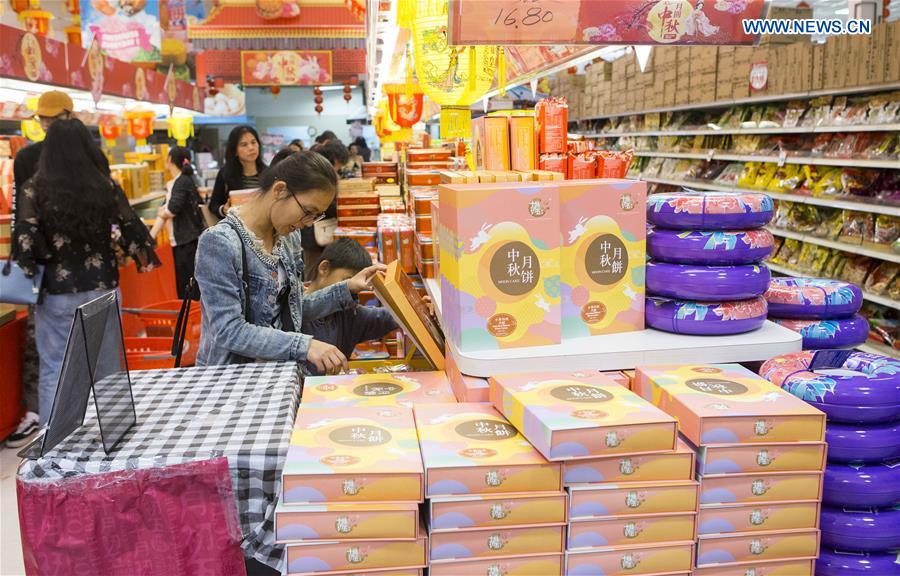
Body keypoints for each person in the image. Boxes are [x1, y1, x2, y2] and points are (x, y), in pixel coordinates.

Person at [12, 119, 160, 426]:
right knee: (107, 366)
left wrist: (42, 254)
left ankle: (57, 440)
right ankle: (115, 430)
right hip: (102, 286)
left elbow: (25, 242)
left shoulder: (33, 189)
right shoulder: (104, 185)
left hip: (57, 291)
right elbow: (133, 230)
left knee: (56, 366)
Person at [193, 152, 384, 374]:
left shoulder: (288, 237)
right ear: (280, 190)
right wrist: (304, 345)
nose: (308, 223)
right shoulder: (220, 243)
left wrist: (347, 287)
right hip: (234, 380)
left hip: (279, 375)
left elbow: (295, 310)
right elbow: (228, 330)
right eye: (308, 212)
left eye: (316, 216)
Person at [6, 91, 84, 447]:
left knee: (61, 355)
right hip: (54, 273)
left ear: (70, 116)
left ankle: (62, 431)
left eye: (53, 118)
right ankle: (45, 423)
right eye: (43, 119)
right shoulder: (27, 157)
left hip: (72, 271)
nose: (48, 124)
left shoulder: (86, 153)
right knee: (52, 354)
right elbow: (22, 216)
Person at [302, 239, 398, 361]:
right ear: (324, 268)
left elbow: (384, 317)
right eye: (347, 279)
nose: (354, 287)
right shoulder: (294, 307)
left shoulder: (348, 313)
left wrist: (419, 307)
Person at [150, 147, 206, 299]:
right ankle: (190, 319)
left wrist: (163, 212)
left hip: (188, 241)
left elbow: (171, 209)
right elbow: (166, 209)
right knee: (186, 285)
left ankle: (191, 320)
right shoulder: (180, 182)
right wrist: (150, 237)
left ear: (169, 160)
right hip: (184, 241)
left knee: (188, 286)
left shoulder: (181, 182)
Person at [300, 141, 350, 276]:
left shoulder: (317, 169)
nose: (338, 169)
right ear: (334, 160)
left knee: (318, 268)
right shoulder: (318, 174)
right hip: (313, 231)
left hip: (317, 229)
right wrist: (342, 207)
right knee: (313, 270)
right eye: (338, 166)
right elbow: (321, 204)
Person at [208, 125, 267, 221]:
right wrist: (224, 209)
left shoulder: (268, 173)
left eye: (253, 142)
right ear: (235, 151)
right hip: (237, 231)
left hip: (265, 228)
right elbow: (213, 205)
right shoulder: (225, 174)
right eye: (244, 144)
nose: (251, 147)